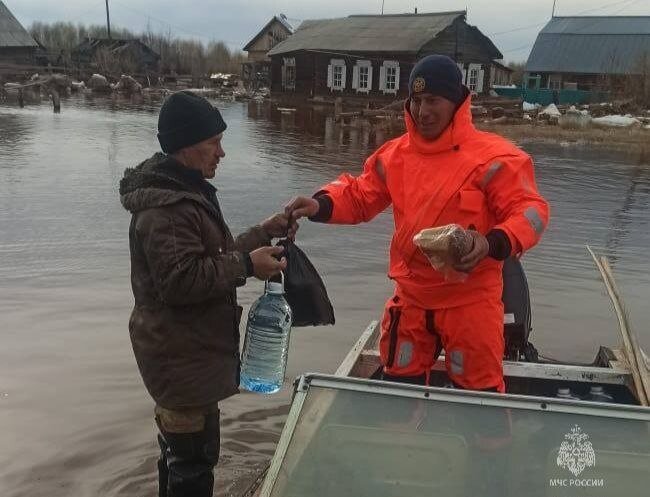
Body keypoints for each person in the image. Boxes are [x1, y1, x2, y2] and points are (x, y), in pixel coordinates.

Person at [286, 55, 549, 393]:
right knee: (397, 394)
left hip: (470, 301)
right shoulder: (395, 155)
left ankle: (488, 445)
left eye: (433, 101)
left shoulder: (496, 158)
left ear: (456, 102)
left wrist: (490, 242)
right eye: (417, 100)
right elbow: (360, 194)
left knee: (480, 400)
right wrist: (318, 204)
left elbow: (531, 211)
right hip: (410, 299)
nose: (423, 111)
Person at [119, 90, 296, 497]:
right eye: (214, 142)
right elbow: (180, 282)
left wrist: (262, 232)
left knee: (182, 460)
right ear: (186, 146)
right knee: (192, 468)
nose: (222, 153)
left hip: (182, 357)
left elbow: (209, 258)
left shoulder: (183, 192)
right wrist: (250, 266)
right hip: (181, 363)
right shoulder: (168, 208)